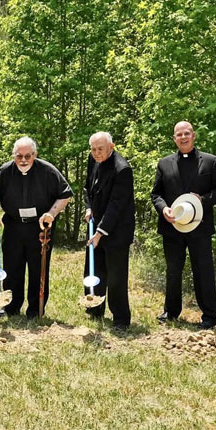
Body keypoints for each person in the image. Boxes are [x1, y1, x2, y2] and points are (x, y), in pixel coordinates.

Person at [151, 121, 216, 329]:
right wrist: (163, 209)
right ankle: (171, 312)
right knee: (173, 270)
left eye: (187, 133)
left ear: (193, 136)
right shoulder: (164, 163)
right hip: (172, 227)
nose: (183, 137)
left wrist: (202, 200)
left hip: (199, 227)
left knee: (203, 270)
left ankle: (209, 316)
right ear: (174, 139)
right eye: (179, 134)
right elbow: (156, 194)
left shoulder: (211, 162)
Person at [0, 136, 72, 318]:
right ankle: (10, 306)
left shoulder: (48, 171)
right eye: (19, 156)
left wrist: (52, 213)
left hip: (40, 228)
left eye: (28, 156)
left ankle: (35, 309)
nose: (23, 160)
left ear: (35, 154)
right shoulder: (5, 172)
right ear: (13, 155)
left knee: (38, 269)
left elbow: (65, 194)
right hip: (13, 225)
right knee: (12, 268)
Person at [82, 132, 135, 330]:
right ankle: (95, 308)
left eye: (100, 149)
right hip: (96, 223)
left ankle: (121, 318)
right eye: (93, 149)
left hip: (117, 230)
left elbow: (116, 205)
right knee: (95, 268)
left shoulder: (122, 169)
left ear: (111, 146)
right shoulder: (92, 159)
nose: (96, 153)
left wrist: (100, 232)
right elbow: (88, 187)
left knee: (116, 275)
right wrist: (88, 208)